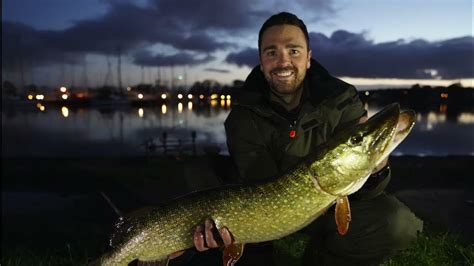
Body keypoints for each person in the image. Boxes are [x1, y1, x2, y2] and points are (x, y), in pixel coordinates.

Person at [172, 11, 423, 266]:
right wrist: (223, 232)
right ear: (261, 61)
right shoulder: (242, 117)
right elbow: (256, 181)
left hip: (326, 203)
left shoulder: (341, 100)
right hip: (264, 216)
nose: (283, 62)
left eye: (294, 51)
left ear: (309, 58)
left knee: (399, 223)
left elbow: (366, 191)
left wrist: (377, 170)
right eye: (272, 52)